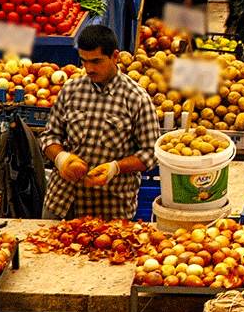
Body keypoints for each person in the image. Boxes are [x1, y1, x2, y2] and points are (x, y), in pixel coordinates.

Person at [39, 25, 161, 221]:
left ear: (114, 56)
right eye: (84, 61)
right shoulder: (71, 90)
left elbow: (151, 154)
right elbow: (49, 136)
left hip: (110, 208)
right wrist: (62, 158)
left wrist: (115, 167)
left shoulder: (137, 98)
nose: (89, 69)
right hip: (61, 202)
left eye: (96, 61)